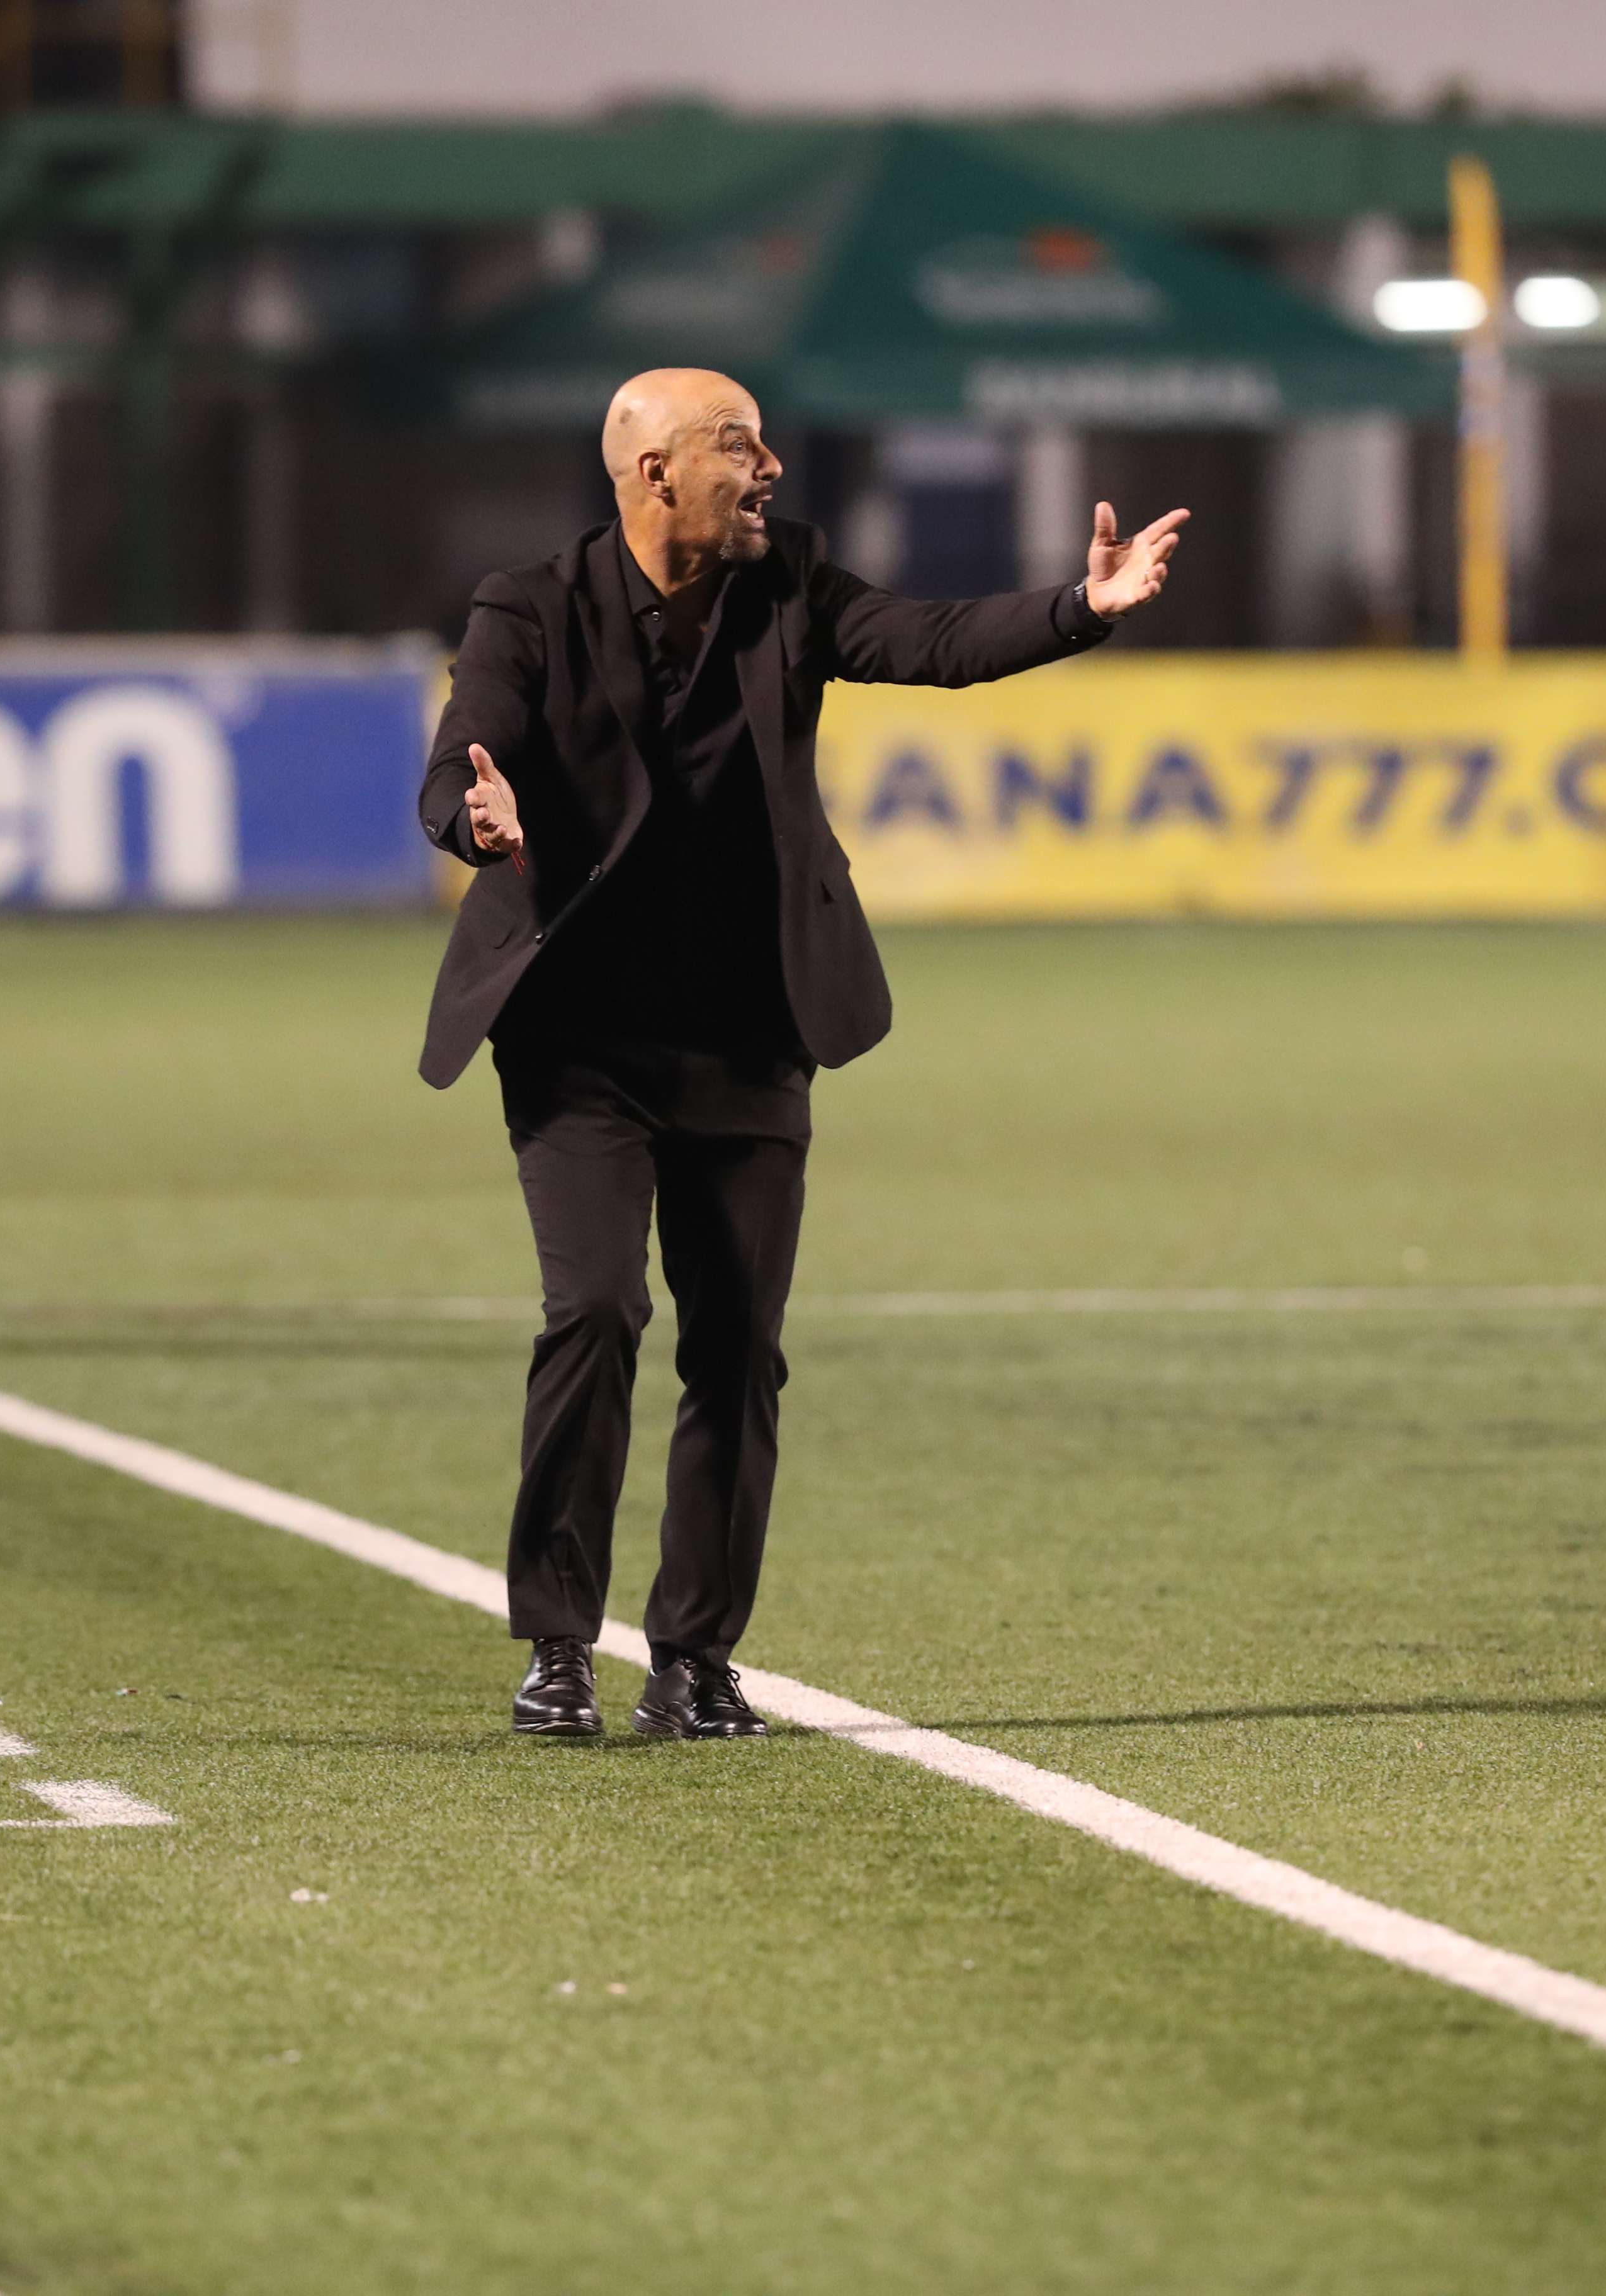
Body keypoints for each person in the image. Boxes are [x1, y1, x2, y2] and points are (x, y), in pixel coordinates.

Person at [416, 368, 1185, 1740]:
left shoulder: (796, 587)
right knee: (594, 1314)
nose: (770, 466)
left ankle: (695, 1658)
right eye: (737, 445)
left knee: (739, 1351)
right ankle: (556, 1644)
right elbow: (468, 751)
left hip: (751, 1033)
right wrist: (477, 821)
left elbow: (933, 639)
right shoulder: (527, 606)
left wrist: (1084, 608)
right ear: (655, 474)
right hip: (581, 1039)